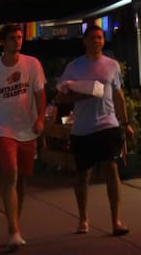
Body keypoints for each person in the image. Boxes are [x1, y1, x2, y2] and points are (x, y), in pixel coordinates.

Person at [0, 24, 47, 252]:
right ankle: (14, 230)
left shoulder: (32, 64)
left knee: (22, 179)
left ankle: (15, 223)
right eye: (13, 38)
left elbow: (40, 94)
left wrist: (40, 119)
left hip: (27, 128)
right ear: (3, 42)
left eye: (20, 37)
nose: (17, 41)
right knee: (11, 175)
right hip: (2, 130)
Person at [56, 24, 133, 236]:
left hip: (108, 124)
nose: (96, 41)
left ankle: (116, 221)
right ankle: (83, 218)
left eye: (100, 37)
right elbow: (61, 97)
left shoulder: (112, 65)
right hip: (82, 128)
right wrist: (84, 95)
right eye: (92, 38)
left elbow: (118, 95)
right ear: (85, 41)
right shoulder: (74, 67)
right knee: (82, 175)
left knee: (111, 168)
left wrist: (125, 122)